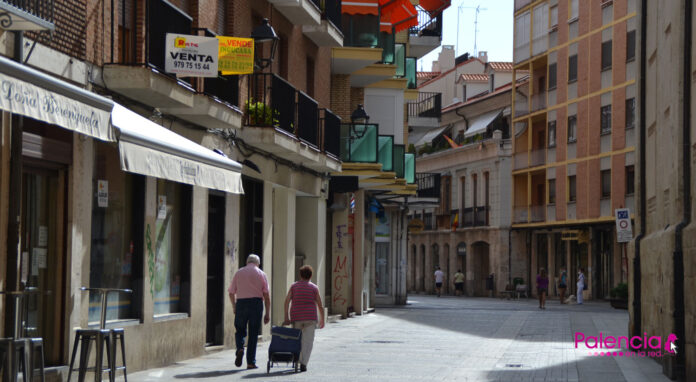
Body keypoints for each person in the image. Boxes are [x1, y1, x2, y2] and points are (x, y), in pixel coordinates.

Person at [228, 254, 271, 369]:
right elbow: (266, 295)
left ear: (247, 262)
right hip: (256, 304)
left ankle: (240, 348)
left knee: (240, 330)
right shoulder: (261, 274)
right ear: (258, 263)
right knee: (253, 333)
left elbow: (231, 292)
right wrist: (267, 313)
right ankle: (251, 362)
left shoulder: (239, 273)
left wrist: (234, 306)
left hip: (241, 303)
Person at [283, 265, 325, 372]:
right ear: (311, 276)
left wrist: (286, 317)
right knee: (308, 342)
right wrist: (322, 319)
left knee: (298, 340)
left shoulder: (294, 286)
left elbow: (287, 301)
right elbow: (320, 304)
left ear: (300, 275)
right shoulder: (314, 288)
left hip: (296, 317)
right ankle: (303, 363)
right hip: (310, 318)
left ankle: (297, 360)